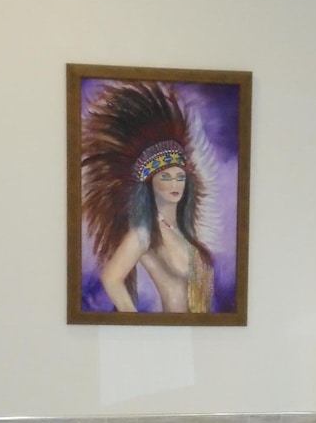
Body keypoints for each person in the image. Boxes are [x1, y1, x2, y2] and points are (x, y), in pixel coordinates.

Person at [81, 81, 216, 314]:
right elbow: (111, 278)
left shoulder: (184, 232)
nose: (175, 184)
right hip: (167, 335)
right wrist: (133, 321)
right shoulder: (145, 232)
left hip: (198, 336)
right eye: (165, 177)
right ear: (150, 182)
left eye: (179, 177)